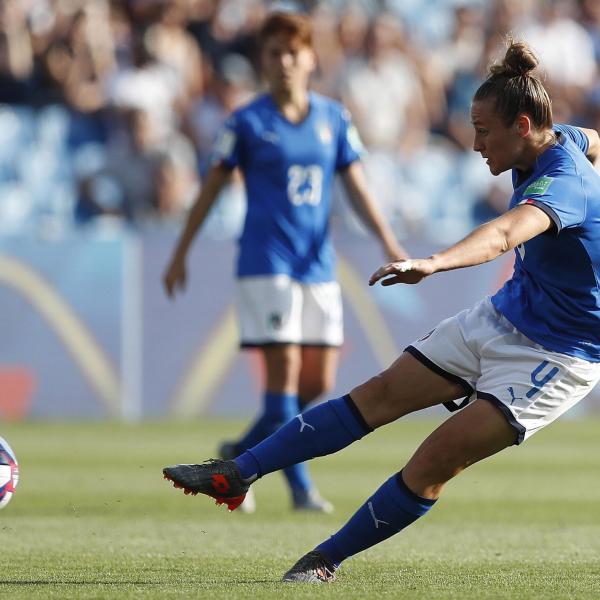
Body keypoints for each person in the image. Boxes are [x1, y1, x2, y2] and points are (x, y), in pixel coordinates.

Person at [163, 37, 600, 581]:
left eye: (483, 130)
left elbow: (505, 234)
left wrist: (436, 262)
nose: (473, 142)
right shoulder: (560, 144)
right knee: (377, 395)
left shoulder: (563, 183)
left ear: (523, 126)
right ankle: (238, 471)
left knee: (436, 459)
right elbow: (593, 139)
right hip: (506, 315)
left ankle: (324, 560)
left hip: (559, 355)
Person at [163, 12, 405, 514]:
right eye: (274, 53)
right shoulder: (246, 122)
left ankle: (235, 456)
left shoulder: (333, 118)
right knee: (285, 383)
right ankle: (299, 492)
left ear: (312, 58)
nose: (284, 63)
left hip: (317, 265)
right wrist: (181, 249)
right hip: (266, 264)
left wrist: (388, 240)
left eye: (293, 53)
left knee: (317, 385)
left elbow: (356, 185)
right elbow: (210, 188)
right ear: (263, 60)